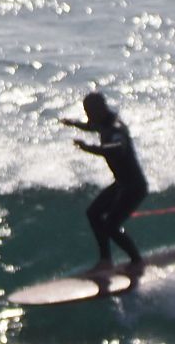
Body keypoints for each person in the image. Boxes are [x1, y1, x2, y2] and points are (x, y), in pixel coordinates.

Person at [61, 90, 147, 273]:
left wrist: (89, 148)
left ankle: (137, 261)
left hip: (134, 187)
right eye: (85, 111)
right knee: (93, 213)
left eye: (89, 111)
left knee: (111, 225)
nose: (87, 116)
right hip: (121, 184)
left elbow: (118, 148)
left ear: (100, 109)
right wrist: (73, 123)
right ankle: (106, 260)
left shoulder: (116, 128)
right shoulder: (102, 122)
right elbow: (91, 127)